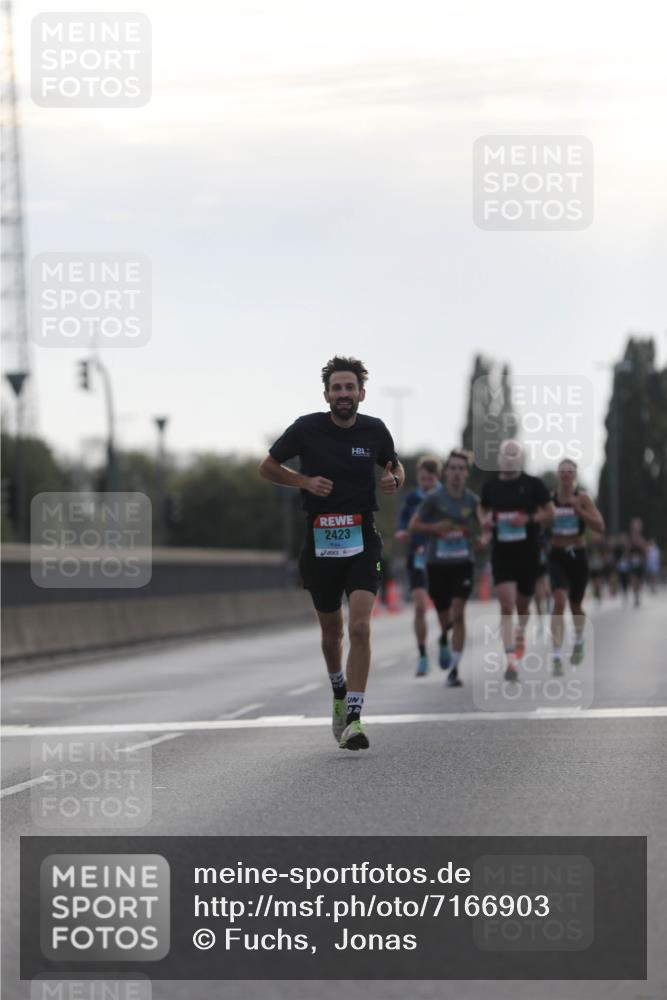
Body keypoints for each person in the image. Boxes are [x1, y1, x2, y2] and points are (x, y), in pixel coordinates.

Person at [259, 355, 404, 751]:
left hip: (362, 536)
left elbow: (394, 466)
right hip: (320, 540)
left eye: (349, 387)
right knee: (332, 632)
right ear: (327, 394)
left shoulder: (375, 430)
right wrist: (303, 481)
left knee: (359, 627)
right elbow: (267, 467)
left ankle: (354, 718)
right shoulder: (306, 428)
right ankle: (338, 691)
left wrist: (393, 478)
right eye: (336, 388)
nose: (343, 394)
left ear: (361, 393)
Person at [408, 449, 486, 687]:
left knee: (459, 611)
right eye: (452, 468)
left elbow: (484, 528)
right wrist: (435, 529)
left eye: (461, 469)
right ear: (446, 472)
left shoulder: (472, 501)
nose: (456, 473)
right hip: (437, 564)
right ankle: (444, 637)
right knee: (445, 615)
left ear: (466, 473)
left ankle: (454, 668)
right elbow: (414, 526)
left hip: (463, 562)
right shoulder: (434, 500)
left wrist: (482, 539)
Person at [479, 440, 554, 682]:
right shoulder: (491, 486)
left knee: (523, 606)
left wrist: (529, 518)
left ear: (521, 458)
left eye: (515, 454)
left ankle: (521, 632)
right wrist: (485, 522)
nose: (510, 458)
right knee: (507, 606)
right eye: (506, 454)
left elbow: (550, 512)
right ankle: (510, 660)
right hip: (502, 553)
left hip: (528, 554)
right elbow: (483, 510)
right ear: (499, 458)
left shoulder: (533, 485)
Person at [548, 459, 605, 674]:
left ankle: (579, 639)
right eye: (562, 472)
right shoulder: (550, 500)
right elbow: (540, 521)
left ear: (575, 475)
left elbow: (600, 525)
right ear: (557, 475)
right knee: (559, 601)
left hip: (578, 556)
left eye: (569, 472)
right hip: (557, 555)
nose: (565, 475)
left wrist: (579, 511)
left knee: (575, 606)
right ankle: (555, 656)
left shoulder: (582, 497)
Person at [394, 456, 443, 677]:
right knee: (421, 607)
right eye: (423, 479)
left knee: (445, 608)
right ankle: (423, 654)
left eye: (430, 479)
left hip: (444, 558)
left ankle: (445, 640)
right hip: (418, 556)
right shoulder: (413, 498)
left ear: (437, 478)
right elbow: (403, 520)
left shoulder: (446, 497)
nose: (426, 483)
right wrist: (403, 531)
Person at [628, 517, 648, 608]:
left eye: (637, 526)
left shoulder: (642, 539)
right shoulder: (631, 538)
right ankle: (635, 596)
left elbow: (645, 551)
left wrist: (644, 559)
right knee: (634, 580)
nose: (636, 528)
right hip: (632, 563)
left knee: (639, 581)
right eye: (634, 526)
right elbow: (627, 550)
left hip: (640, 563)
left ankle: (638, 594)